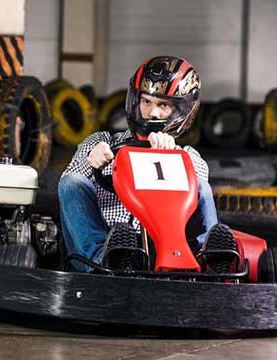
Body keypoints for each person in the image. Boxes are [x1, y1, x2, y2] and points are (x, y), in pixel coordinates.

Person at [58, 55, 227, 271]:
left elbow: (199, 180)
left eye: (163, 105)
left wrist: (169, 155)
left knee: (201, 187)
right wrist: (92, 161)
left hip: (169, 245)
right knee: (71, 182)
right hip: (111, 245)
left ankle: (210, 260)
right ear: (136, 102)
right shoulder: (103, 142)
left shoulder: (186, 155)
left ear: (183, 111)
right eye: (147, 101)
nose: (152, 113)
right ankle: (104, 261)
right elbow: (69, 183)